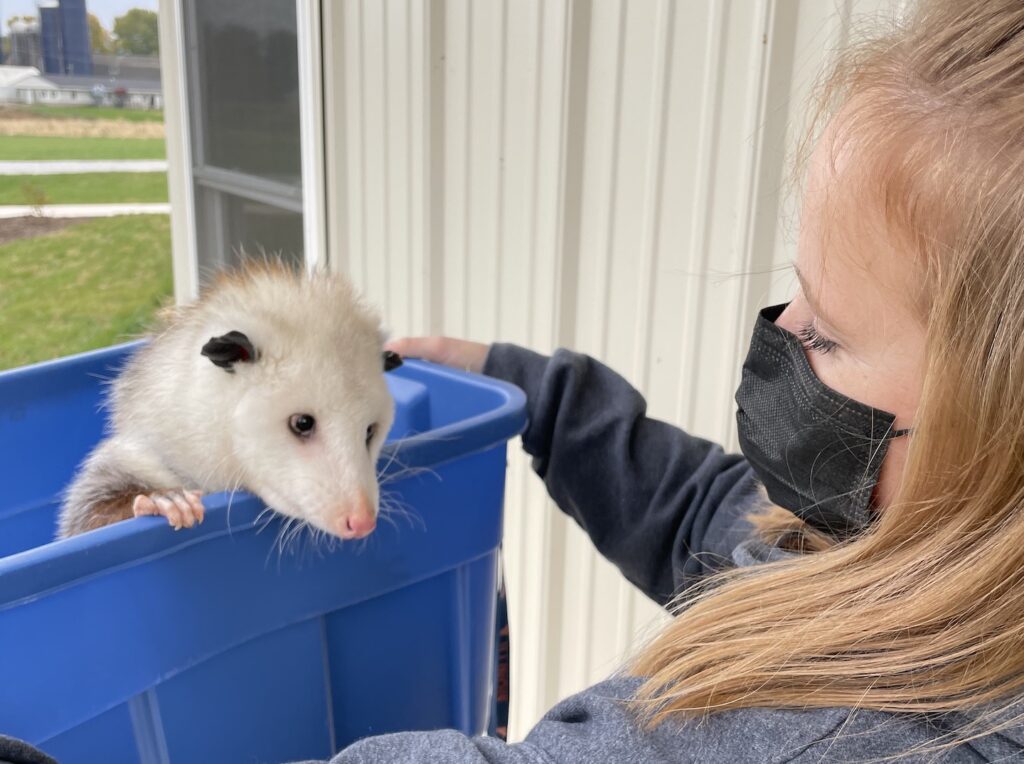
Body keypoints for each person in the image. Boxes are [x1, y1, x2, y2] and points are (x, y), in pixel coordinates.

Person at [301, 0, 1024, 760]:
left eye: (827, 333)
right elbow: (711, 519)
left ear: (993, 431)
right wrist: (534, 397)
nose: (779, 328)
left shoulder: (837, 738)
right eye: (798, 287)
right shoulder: (888, 542)